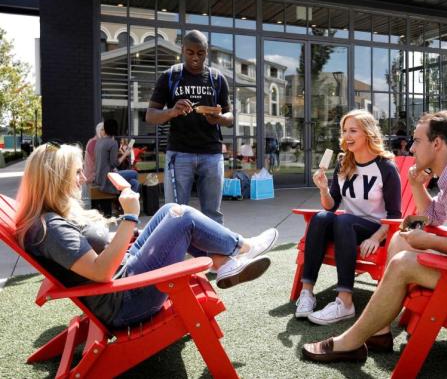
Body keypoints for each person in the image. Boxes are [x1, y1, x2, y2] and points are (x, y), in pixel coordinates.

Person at [302, 110, 447, 362]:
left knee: (404, 263)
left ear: (437, 144)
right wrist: (415, 185)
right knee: (400, 239)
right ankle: (380, 331)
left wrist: (431, 242)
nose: (411, 148)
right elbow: (433, 216)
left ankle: (350, 342)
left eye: (417, 141)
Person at [14, 143, 279, 329]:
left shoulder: (49, 219)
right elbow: (102, 271)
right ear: (56, 179)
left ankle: (225, 263)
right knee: (183, 217)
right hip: (127, 301)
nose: (84, 178)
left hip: (128, 274)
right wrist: (130, 217)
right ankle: (241, 248)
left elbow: (101, 259)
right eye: (77, 172)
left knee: (168, 210)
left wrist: (134, 230)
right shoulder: (52, 229)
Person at [295, 109, 402, 325]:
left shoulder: (385, 168)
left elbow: (395, 215)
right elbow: (331, 206)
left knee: (343, 220)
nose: (347, 136)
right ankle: (307, 293)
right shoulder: (344, 162)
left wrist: (376, 238)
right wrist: (324, 189)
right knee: (321, 217)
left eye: (353, 131)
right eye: (344, 131)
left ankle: (345, 302)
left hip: (373, 228)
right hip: (346, 227)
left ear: (368, 134)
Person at [146, 30, 233, 224]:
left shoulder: (217, 78)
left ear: (207, 52)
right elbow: (150, 116)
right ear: (182, 50)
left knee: (212, 214)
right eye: (190, 52)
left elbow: (231, 117)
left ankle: (214, 253)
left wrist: (218, 118)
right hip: (179, 154)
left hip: (211, 153)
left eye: (200, 53)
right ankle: (175, 253)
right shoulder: (170, 76)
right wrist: (172, 112)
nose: (195, 57)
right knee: (175, 213)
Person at [94, 119, 140, 194]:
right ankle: (123, 200)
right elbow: (114, 163)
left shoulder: (99, 142)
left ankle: (123, 202)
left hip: (99, 178)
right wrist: (125, 154)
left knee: (134, 183)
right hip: (108, 179)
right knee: (134, 173)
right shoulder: (113, 143)